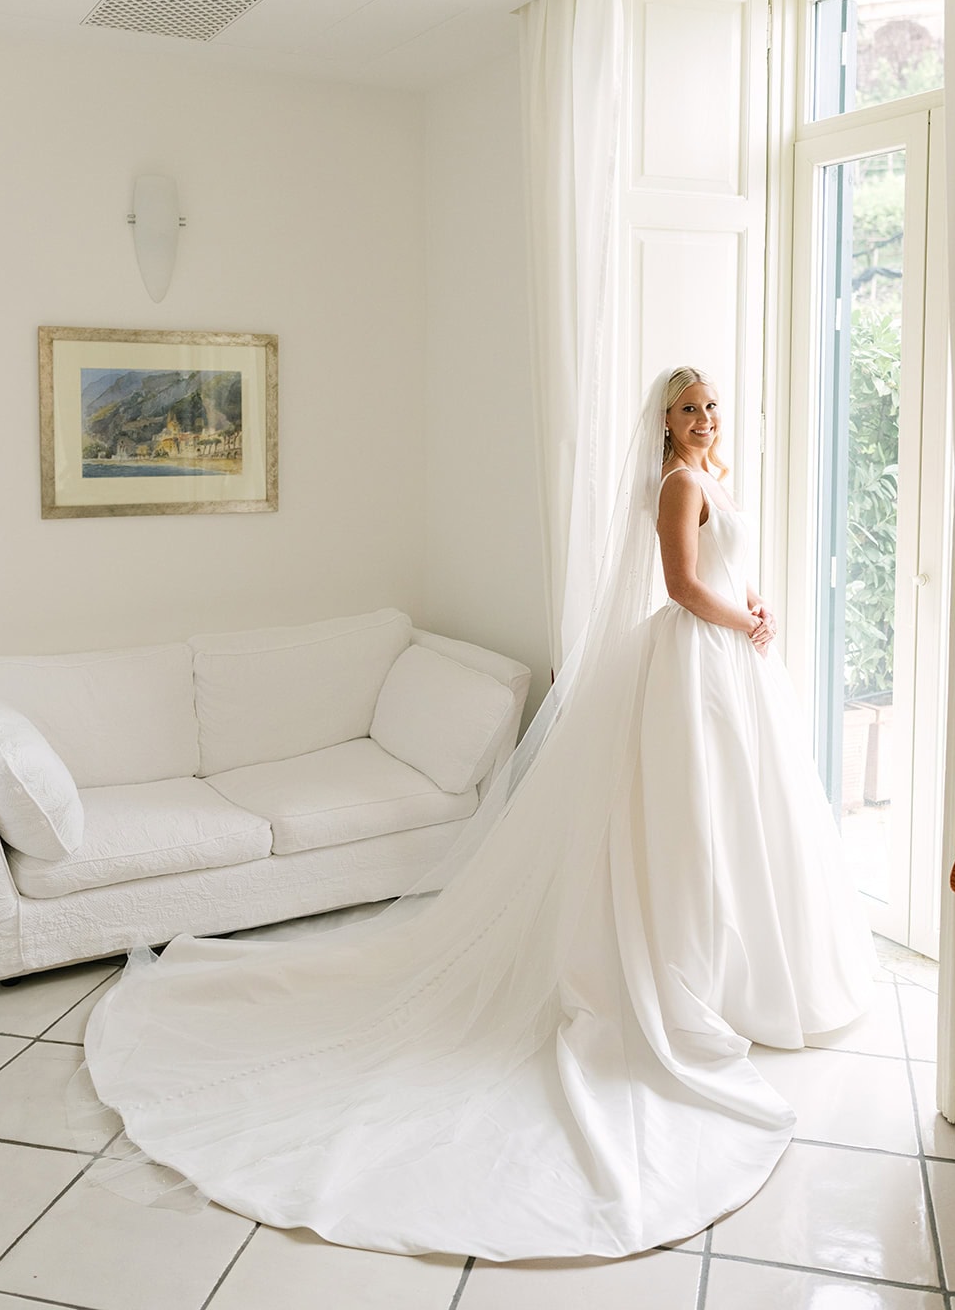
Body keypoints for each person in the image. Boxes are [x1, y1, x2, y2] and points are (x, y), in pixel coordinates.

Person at [83, 366, 876, 1261]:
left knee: (730, 822)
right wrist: (745, 620)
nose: (702, 419)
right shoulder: (680, 483)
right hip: (698, 660)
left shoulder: (712, 478)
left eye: (709, 406)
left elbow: (716, 579)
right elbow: (683, 588)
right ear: (661, 425)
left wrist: (749, 612)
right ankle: (684, 970)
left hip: (725, 665)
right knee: (687, 826)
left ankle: (730, 969)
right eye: (686, 409)